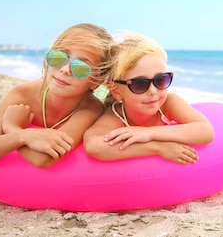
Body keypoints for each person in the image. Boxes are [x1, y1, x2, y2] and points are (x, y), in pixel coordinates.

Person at [0, 23, 113, 168]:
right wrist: (24, 137)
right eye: (58, 57)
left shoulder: (89, 109)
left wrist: (13, 128)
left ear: (97, 80)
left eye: (81, 67)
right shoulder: (22, 94)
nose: (64, 69)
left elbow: (43, 159)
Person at [84, 32, 215, 165]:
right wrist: (157, 148)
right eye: (139, 84)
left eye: (161, 80)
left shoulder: (169, 103)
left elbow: (206, 131)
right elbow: (94, 145)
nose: (153, 91)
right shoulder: (116, 115)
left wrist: (149, 133)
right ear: (116, 90)